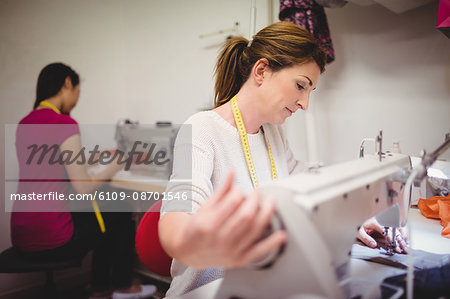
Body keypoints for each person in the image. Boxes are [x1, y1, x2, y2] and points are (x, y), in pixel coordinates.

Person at [158, 22, 407, 297]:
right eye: (301, 86)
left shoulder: (272, 133)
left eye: (310, 91)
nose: (305, 104)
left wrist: (353, 215)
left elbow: (309, 185)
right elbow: (176, 217)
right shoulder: (201, 130)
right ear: (261, 71)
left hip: (260, 286)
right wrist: (193, 240)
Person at [11, 63, 156, 299]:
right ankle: (121, 286)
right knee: (120, 209)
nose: (76, 100)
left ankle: (100, 288)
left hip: (22, 234)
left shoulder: (25, 123)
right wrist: (116, 165)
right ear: (67, 83)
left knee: (105, 211)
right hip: (52, 238)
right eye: (77, 92)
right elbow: (83, 188)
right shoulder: (64, 123)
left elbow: (47, 165)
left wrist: (93, 159)